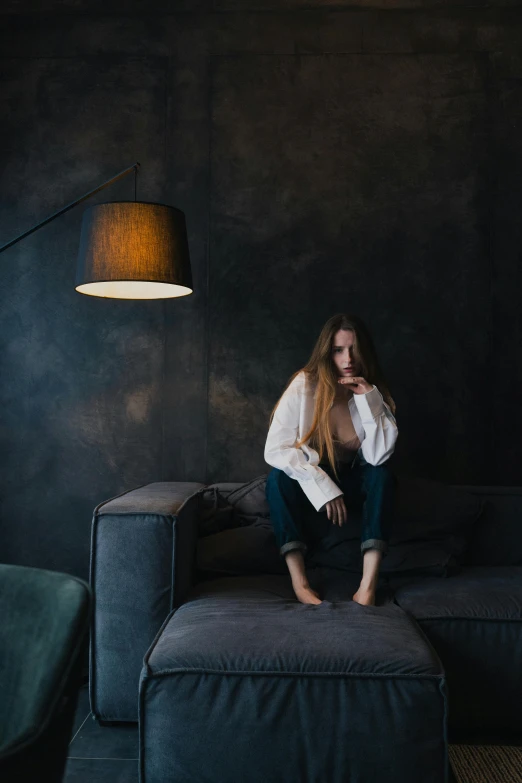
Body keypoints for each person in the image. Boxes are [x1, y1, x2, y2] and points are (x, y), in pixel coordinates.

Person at [264, 313, 398, 607]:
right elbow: (275, 449)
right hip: (313, 482)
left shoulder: (371, 393)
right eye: (338, 350)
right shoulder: (305, 385)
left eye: (353, 349)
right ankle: (299, 583)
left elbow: (378, 456)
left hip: (353, 479)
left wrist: (368, 401)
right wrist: (321, 485)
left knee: (382, 475)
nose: (347, 359)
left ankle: (368, 585)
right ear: (327, 352)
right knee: (276, 479)